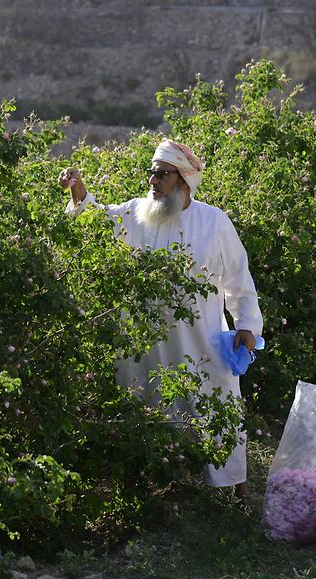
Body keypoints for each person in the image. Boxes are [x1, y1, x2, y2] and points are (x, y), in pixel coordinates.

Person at [58, 138, 263, 497]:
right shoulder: (136, 213)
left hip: (199, 342)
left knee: (217, 399)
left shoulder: (213, 222)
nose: (153, 180)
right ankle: (141, 484)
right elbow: (94, 219)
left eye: (162, 174)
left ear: (183, 182)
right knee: (143, 399)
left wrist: (246, 324)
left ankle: (236, 487)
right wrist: (79, 190)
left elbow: (238, 279)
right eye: (151, 172)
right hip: (145, 345)